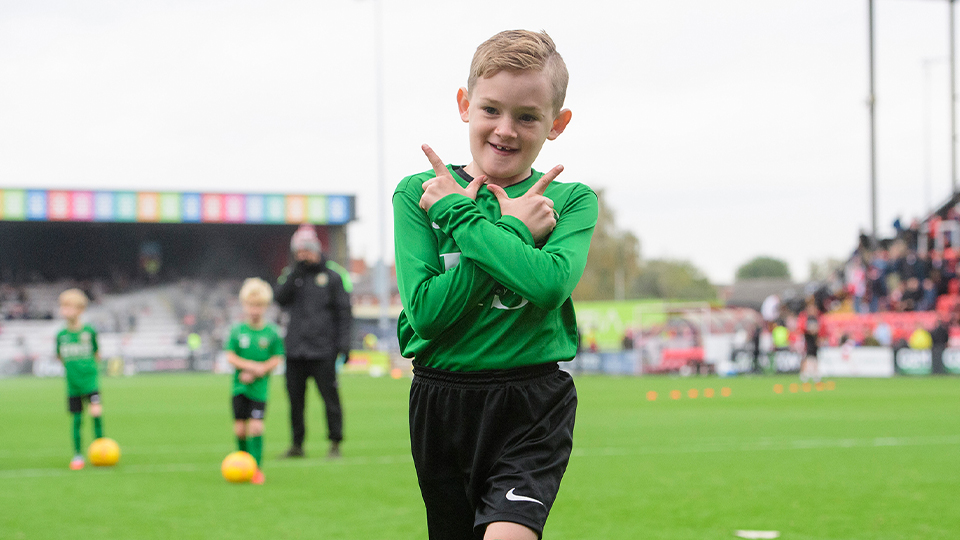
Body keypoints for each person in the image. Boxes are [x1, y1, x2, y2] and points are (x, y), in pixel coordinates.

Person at [393, 29, 597, 540]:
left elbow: (550, 286)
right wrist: (512, 233)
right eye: (491, 110)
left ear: (557, 123)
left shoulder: (569, 202)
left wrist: (460, 217)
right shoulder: (419, 193)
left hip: (531, 402)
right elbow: (426, 314)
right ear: (465, 104)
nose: (505, 129)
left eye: (527, 116)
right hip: (441, 400)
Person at [275, 224, 352, 459]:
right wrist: (296, 272)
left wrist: (344, 345)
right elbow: (280, 299)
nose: (302, 255)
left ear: (316, 249)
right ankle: (297, 445)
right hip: (296, 350)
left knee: (330, 398)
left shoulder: (333, 277)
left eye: (306, 250)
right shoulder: (292, 276)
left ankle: (335, 443)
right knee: (295, 401)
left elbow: (344, 313)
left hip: (323, 350)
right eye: (298, 252)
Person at [224, 278, 284, 484]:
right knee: (240, 429)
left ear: (266, 307)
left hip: (259, 390)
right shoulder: (237, 331)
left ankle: (256, 469)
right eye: (250, 305)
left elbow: (276, 359)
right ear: (244, 305)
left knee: (256, 428)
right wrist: (251, 367)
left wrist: (261, 370)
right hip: (239, 388)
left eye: (258, 305)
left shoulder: (272, 333)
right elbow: (230, 356)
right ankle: (242, 464)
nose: (254, 309)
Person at [55, 288, 106, 470]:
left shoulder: (89, 331)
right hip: (72, 386)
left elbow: (97, 353)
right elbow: (59, 357)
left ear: (80, 310)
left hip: (90, 382)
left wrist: (89, 372)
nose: (65, 310)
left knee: (96, 414)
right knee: (77, 419)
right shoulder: (61, 336)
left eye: (69, 307)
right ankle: (78, 455)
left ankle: (102, 450)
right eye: (63, 306)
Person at [799, 301, 821, 383]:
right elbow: (804, 329)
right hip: (807, 341)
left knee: (815, 357)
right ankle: (803, 374)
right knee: (806, 357)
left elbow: (818, 331)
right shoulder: (805, 318)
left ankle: (816, 374)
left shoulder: (816, 318)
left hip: (814, 341)